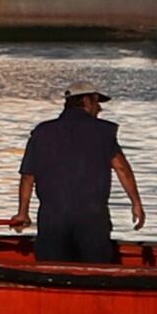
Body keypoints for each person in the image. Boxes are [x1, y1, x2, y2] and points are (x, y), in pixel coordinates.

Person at [13, 86, 145, 263]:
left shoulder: (42, 132)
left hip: (52, 219)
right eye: (97, 102)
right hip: (92, 218)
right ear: (86, 101)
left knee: (52, 269)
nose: (100, 108)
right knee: (95, 270)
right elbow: (121, 168)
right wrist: (136, 203)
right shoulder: (102, 132)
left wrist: (22, 213)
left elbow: (28, 177)